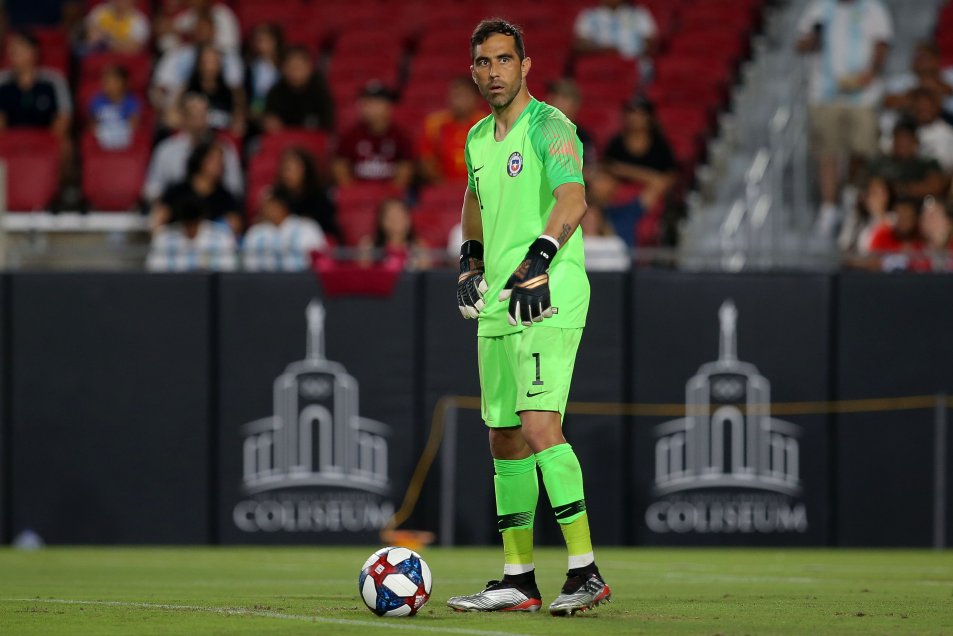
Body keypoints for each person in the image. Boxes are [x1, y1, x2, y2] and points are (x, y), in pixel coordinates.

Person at [447, 19, 610, 616]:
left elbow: (574, 198)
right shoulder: (477, 140)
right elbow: (474, 201)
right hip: (500, 299)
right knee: (505, 437)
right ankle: (518, 580)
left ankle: (585, 572)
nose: (494, 72)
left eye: (504, 60)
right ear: (474, 71)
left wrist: (539, 259)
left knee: (541, 425)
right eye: (484, 62)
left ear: (525, 65)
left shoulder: (551, 126)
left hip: (548, 292)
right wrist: (471, 260)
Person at [795, 0, 893, 237]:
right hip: (824, 93)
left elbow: (882, 45)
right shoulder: (818, 9)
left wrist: (871, 73)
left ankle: (851, 195)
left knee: (861, 148)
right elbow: (800, 44)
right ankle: (829, 207)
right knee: (827, 152)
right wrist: (812, 40)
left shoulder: (873, 9)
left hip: (863, 95)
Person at [142, 92, 243, 205]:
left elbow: (235, 189)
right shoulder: (166, 150)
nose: (199, 122)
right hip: (176, 211)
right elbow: (152, 189)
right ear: (184, 118)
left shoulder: (225, 149)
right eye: (194, 116)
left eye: (203, 115)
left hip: (213, 211)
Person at [601, 97, 677, 244]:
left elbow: (666, 179)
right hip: (617, 199)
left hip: (647, 201)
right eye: (631, 113)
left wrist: (625, 170)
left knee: (656, 191)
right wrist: (650, 177)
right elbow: (607, 169)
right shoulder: (616, 143)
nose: (635, 118)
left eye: (639, 114)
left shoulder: (660, 146)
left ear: (649, 118)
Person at [332, 81, 413, 190]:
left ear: (388, 107)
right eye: (365, 103)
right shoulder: (349, 135)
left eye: (374, 103)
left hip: (390, 195)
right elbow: (340, 166)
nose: (368, 108)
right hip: (358, 194)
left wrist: (393, 192)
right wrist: (352, 193)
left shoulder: (400, 136)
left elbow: (405, 169)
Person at [153, 141, 242, 234]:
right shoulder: (176, 192)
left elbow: (235, 226)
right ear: (201, 160)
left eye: (221, 161)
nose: (220, 165)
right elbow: (159, 220)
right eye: (214, 160)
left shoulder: (226, 198)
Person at [418, 76, 485, 184]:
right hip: (443, 187)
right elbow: (427, 161)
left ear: (476, 99)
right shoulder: (434, 124)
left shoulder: (487, 124)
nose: (460, 101)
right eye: (456, 96)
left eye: (465, 96)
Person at [146, 197, 238, 272]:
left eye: (194, 223)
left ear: (201, 219)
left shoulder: (221, 236)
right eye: (187, 224)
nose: (191, 228)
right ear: (181, 220)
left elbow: (228, 271)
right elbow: (155, 272)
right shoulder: (164, 238)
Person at [243, 189, 327, 271]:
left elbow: (319, 260)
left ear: (283, 205)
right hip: (262, 282)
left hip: (302, 281)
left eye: (272, 204)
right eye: (265, 205)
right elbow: (248, 264)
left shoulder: (307, 228)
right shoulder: (255, 232)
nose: (266, 209)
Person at [573, 0, 657, 79]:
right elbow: (580, 45)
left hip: (633, 62)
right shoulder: (589, 15)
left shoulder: (639, 14)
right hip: (600, 61)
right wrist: (603, 50)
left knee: (645, 67)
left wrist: (632, 57)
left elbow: (650, 44)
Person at [865, 119, 945, 200]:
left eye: (906, 138)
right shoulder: (879, 163)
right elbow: (866, 188)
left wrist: (903, 189)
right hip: (883, 208)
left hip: (918, 209)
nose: (902, 143)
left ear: (916, 141)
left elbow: (935, 187)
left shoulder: (927, 164)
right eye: (898, 138)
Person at [272, 146, 340, 241]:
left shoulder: (319, 196)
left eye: (295, 169)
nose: (289, 174)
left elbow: (329, 230)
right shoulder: (276, 196)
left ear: (306, 170)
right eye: (286, 169)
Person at [262, 46, 334, 133]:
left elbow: (327, 127)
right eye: (291, 66)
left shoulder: (321, 93)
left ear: (309, 67)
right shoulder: (275, 93)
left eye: (299, 66)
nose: (295, 71)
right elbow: (269, 120)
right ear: (282, 69)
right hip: (284, 141)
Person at [185, 43, 246, 136]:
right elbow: (173, 119)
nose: (209, 67)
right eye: (206, 61)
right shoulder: (188, 90)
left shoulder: (232, 94)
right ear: (199, 63)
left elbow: (239, 125)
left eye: (213, 61)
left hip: (222, 143)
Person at [358, 197, 430, 270]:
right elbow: (362, 275)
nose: (395, 219)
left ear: (409, 219)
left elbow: (425, 276)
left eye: (400, 215)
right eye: (390, 216)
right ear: (381, 220)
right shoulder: (369, 244)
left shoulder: (418, 244)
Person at [867, 195, 928, 271]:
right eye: (900, 217)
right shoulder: (881, 235)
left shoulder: (925, 238)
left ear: (915, 218)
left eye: (908, 217)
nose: (904, 222)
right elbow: (869, 263)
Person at [88, 64, 141, 149]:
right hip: (101, 137)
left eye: (115, 82)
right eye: (107, 82)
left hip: (124, 137)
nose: (111, 86)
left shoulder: (132, 102)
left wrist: (118, 130)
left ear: (124, 82)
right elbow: (92, 123)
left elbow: (134, 124)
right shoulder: (97, 101)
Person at [838, 175, 894, 254]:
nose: (880, 197)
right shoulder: (855, 220)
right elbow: (845, 247)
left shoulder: (895, 219)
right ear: (866, 196)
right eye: (875, 193)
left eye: (883, 192)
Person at [244, 23, 283, 129]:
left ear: (275, 42)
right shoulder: (251, 68)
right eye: (258, 41)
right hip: (258, 115)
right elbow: (254, 98)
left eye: (266, 40)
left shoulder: (284, 66)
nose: (261, 45)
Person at [909, 86, 953, 171]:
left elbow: (944, 166)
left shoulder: (947, 133)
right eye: (919, 107)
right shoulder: (906, 130)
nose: (923, 111)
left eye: (926, 107)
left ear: (937, 107)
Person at [84, 0, 149, 54]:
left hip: (123, 60)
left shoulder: (140, 20)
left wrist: (106, 42)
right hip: (96, 54)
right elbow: (89, 33)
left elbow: (134, 47)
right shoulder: (100, 11)